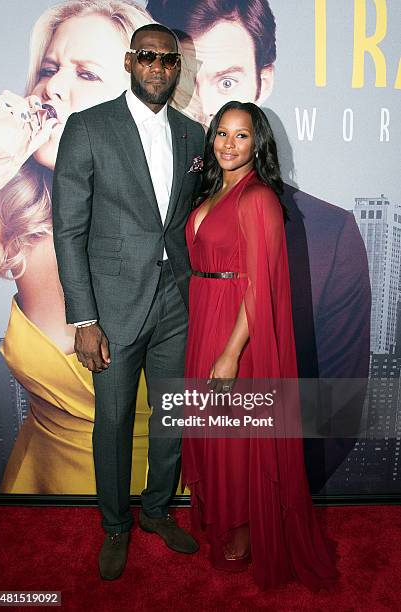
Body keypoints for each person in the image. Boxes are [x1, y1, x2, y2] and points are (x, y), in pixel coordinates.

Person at [148, 0, 372, 492]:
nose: (206, 110)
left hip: (244, 369)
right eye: (187, 81)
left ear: (261, 83)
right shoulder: (179, 205)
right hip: (198, 340)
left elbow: (337, 409)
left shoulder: (326, 233)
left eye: (226, 82)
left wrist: (273, 495)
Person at [0, 0, 171, 495]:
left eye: (86, 74)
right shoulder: (10, 218)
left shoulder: (178, 219)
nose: (52, 87)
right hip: (37, 494)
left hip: (161, 489)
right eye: (49, 69)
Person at [52, 23, 205, 580]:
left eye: (168, 60)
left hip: (175, 301)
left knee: (171, 415)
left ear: (177, 68)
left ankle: (158, 510)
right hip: (112, 308)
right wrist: (84, 318)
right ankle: (115, 525)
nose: (159, 67)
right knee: (113, 421)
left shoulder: (192, 135)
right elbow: (68, 229)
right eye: (148, 57)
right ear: (129, 61)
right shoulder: (88, 128)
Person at [184, 100, 339, 591]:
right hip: (204, 316)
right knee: (214, 433)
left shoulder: (259, 199)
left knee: (237, 440)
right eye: (222, 134)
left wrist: (231, 352)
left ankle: (245, 532)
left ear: (259, 143)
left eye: (242, 135)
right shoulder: (212, 190)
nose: (229, 144)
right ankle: (225, 520)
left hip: (238, 331)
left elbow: (261, 285)